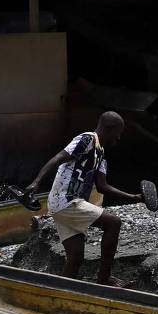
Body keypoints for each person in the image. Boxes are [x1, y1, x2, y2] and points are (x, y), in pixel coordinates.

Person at [32, 111, 127, 284]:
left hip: (65, 205)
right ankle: (104, 278)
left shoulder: (100, 153)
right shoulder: (87, 139)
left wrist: (135, 197)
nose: (119, 137)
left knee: (75, 257)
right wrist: (36, 182)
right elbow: (58, 158)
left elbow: (103, 186)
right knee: (113, 223)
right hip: (66, 201)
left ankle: (60, 294)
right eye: (118, 132)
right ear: (110, 128)